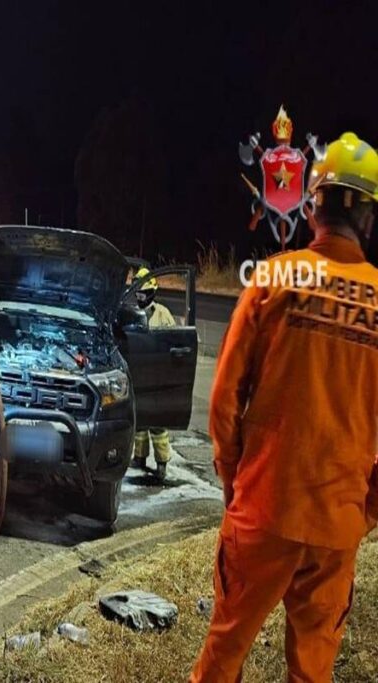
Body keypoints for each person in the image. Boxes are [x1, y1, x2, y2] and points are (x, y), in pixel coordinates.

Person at [190, 132, 378, 682]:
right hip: (336, 523)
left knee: (223, 657)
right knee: (313, 669)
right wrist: (365, 513)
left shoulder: (272, 280)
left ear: (314, 204)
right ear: (368, 217)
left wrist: (234, 482)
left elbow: (224, 401)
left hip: (264, 509)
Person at [130, 267, 176, 482]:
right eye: (137, 293)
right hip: (139, 375)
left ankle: (161, 464)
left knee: (157, 425)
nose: (139, 297)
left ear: (151, 293)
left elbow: (174, 341)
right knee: (139, 421)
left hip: (157, 375)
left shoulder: (163, 314)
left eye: (142, 293)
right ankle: (139, 458)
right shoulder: (133, 314)